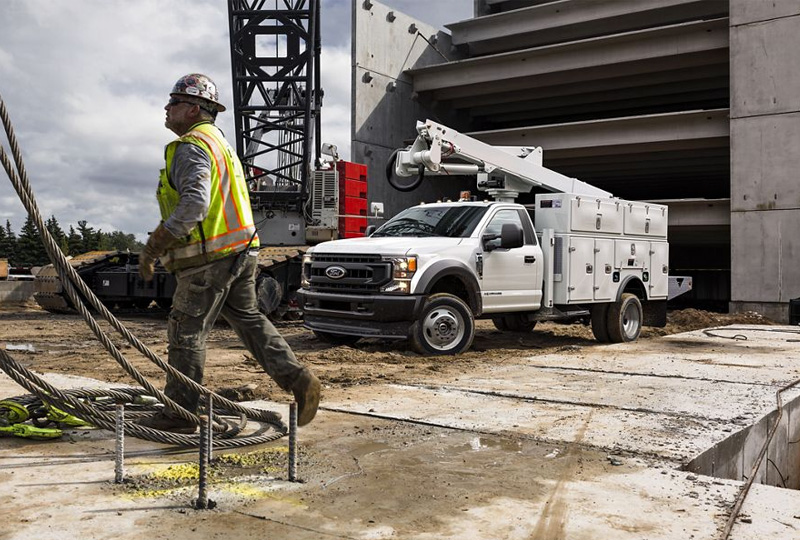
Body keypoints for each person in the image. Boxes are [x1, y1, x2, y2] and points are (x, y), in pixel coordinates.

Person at [137, 73, 320, 433]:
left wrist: (154, 246)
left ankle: (180, 413)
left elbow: (194, 204)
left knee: (186, 331)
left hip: (210, 258)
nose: (166, 108)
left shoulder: (191, 145)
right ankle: (299, 380)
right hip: (241, 251)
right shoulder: (220, 143)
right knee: (249, 320)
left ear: (193, 109)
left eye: (173, 103)